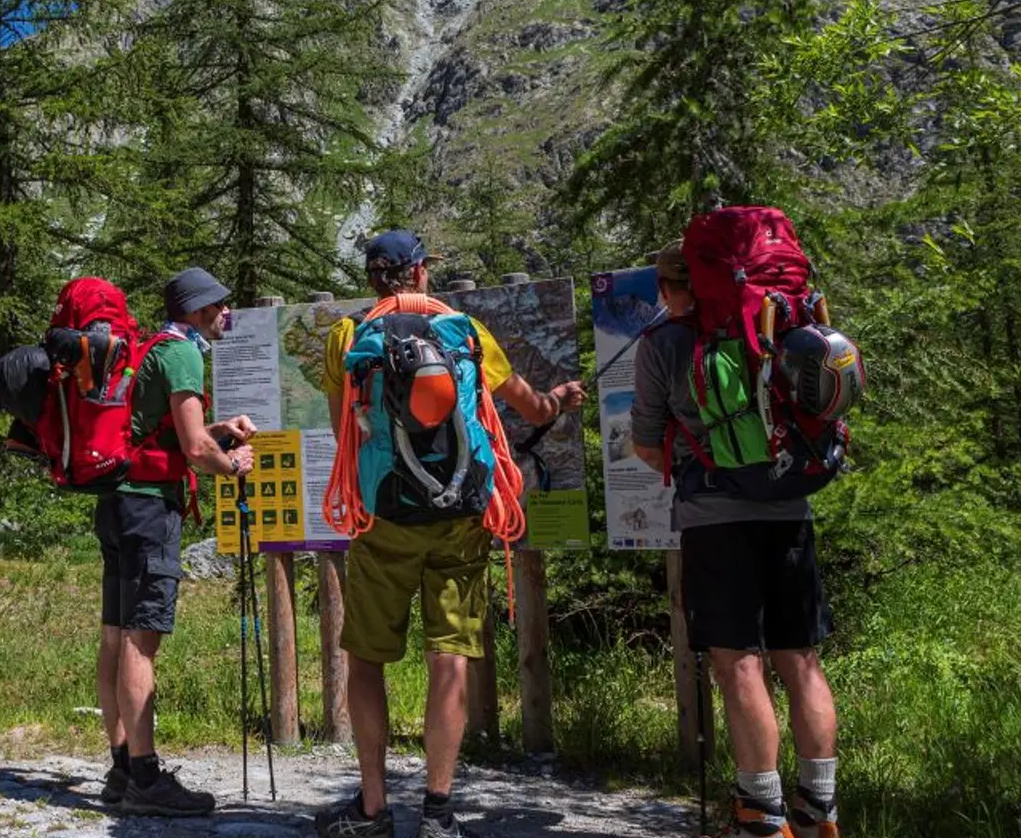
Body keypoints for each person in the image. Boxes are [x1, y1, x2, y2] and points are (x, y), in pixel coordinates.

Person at [315, 231, 585, 838]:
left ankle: (373, 808)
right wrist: (558, 402)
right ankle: (438, 810)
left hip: (384, 516)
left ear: (374, 280)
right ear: (419, 274)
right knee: (450, 656)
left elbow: (345, 438)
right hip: (463, 515)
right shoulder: (465, 331)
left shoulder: (347, 335)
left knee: (365, 659)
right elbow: (529, 407)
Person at [630, 242, 840, 838]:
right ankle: (820, 809)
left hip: (715, 519)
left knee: (738, 662)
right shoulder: (777, 324)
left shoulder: (664, 345)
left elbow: (647, 445)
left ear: (674, 288)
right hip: (791, 507)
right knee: (800, 658)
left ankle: (759, 814)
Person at [96, 266, 256, 817]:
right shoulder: (185, 354)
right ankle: (145, 777)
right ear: (198, 309)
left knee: (116, 636)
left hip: (117, 500)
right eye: (217, 305)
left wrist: (218, 431)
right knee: (141, 642)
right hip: (148, 510)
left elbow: (161, 434)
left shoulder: (151, 348)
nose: (223, 314)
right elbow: (192, 449)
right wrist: (231, 463)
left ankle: (121, 770)